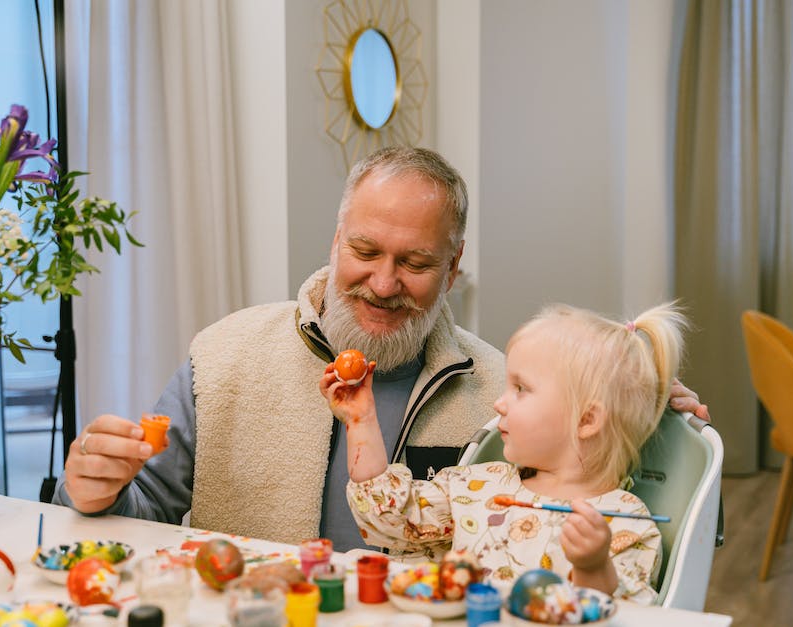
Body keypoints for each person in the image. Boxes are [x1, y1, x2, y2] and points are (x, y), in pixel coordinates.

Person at [54, 146, 708, 550]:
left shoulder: (498, 388)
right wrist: (93, 493)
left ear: (453, 271)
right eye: (365, 251)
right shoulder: (223, 356)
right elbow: (140, 517)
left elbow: (594, 476)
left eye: (416, 262)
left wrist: (644, 403)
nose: (385, 282)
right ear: (336, 242)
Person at [322, 302, 688, 603]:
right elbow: (389, 517)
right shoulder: (480, 486)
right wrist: (361, 420)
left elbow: (629, 615)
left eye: (520, 389)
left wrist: (594, 569)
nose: (499, 403)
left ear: (587, 420)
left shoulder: (626, 522)